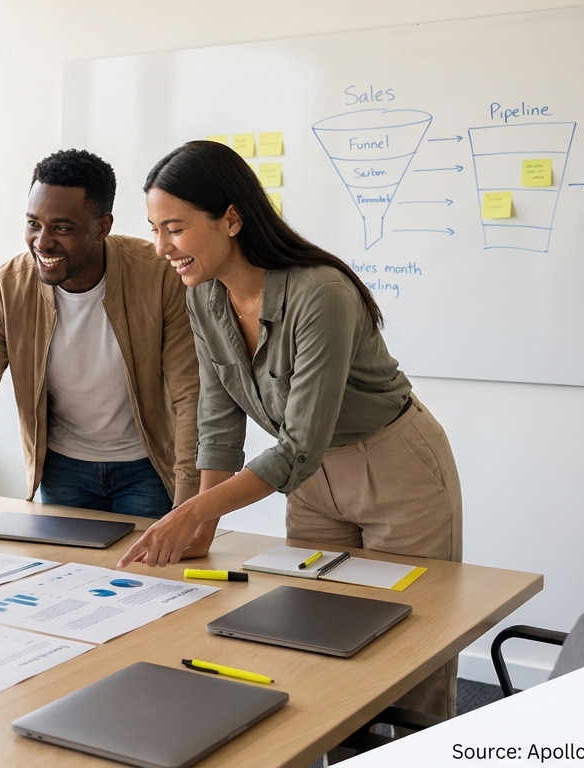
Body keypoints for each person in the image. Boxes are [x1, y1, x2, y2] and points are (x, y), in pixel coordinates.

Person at [123, 139, 463, 718]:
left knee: (410, 654)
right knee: (313, 634)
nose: (161, 248)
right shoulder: (203, 296)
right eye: (155, 230)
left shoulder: (320, 293)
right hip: (308, 483)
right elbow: (218, 417)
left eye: (174, 229)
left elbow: (300, 443)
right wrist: (202, 521)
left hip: (394, 470)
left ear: (231, 219)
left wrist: (192, 512)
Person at [0, 149, 202, 539]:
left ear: (102, 226)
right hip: (63, 468)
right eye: (33, 223)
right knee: (66, 573)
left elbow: (189, 395)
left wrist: (187, 506)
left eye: (61, 228)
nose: (42, 242)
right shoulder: (6, 289)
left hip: (148, 467)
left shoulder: (159, 275)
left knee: (150, 572)